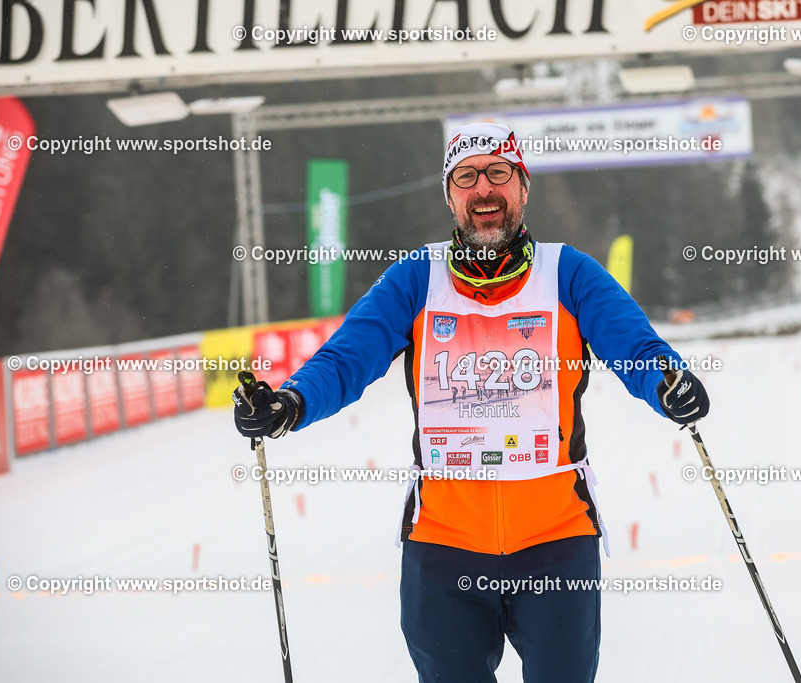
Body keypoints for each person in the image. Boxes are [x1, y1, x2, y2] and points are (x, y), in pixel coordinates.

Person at [233, 122, 709, 682]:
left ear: (522, 186)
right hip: (444, 550)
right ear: (451, 194)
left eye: (498, 173)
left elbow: (632, 343)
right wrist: (290, 404)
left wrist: (665, 380)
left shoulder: (568, 272)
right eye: (466, 177)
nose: (483, 188)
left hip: (555, 543)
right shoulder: (416, 278)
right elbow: (346, 360)